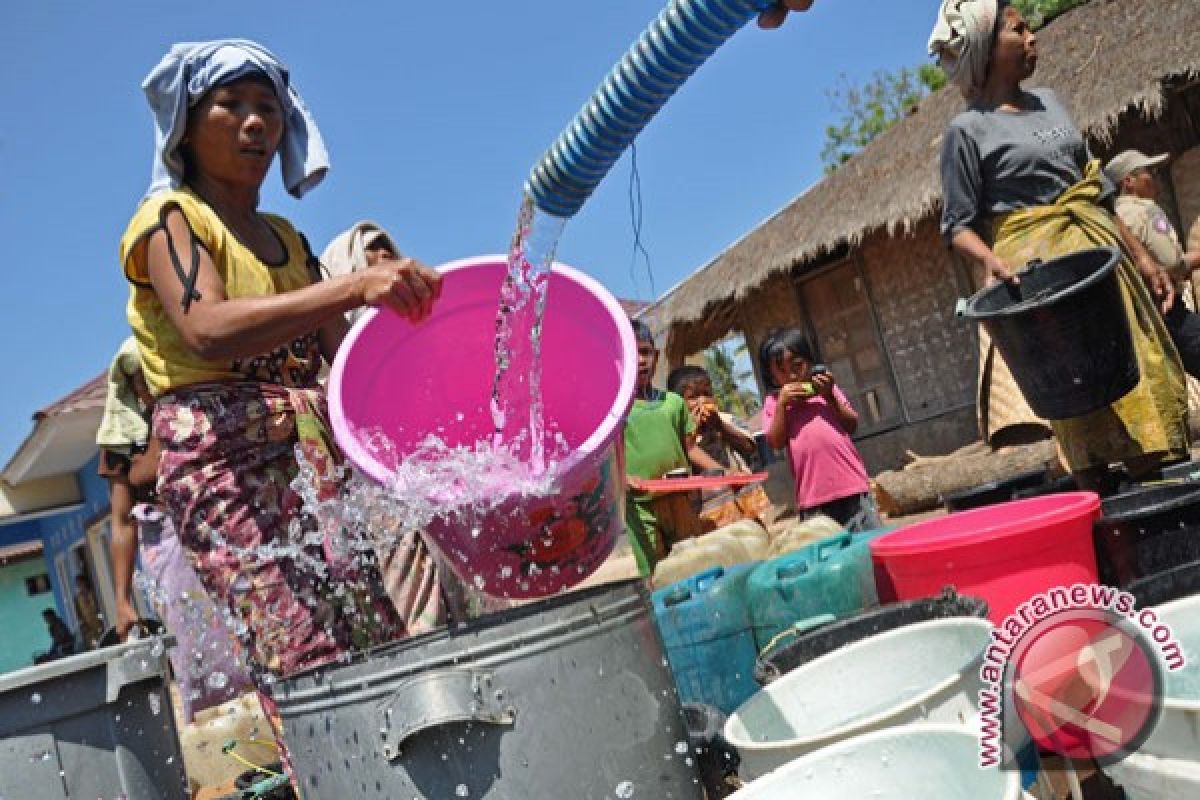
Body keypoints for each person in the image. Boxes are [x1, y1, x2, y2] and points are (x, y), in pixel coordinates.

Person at [119, 39, 443, 680]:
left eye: (267, 108)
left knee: (375, 640)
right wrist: (354, 286)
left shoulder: (289, 243)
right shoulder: (170, 220)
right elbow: (206, 328)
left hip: (312, 465)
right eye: (230, 104)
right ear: (186, 125)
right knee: (306, 659)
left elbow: (350, 363)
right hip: (226, 470)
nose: (255, 122)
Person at [931, 0, 1189, 489]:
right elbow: (957, 225)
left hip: (1098, 258)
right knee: (1080, 401)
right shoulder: (967, 131)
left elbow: (1096, 189)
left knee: (1139, 377)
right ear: (986, 50)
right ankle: (1107, 521)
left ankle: (1159, 493)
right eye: (1018, 30)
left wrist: (1142, 258)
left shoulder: (1050, 102)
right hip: (1045, 274)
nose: (1033, 37)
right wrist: (992, 261)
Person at [623, 319, 725, 575]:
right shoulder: (615, 412)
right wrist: (623, 478)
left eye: (645, 352)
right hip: (641, 506)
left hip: (681, 500)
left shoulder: (673, 403)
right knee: (657, 575)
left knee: (693, 564)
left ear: (656, 356)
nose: (640, 360)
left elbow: (690, 449)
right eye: (631, 353)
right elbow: (607, 459)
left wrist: (721, 472)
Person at [759, 329, 882, 531]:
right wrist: (782, 405)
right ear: (772, 377)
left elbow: (852, 424)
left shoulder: (826, 390)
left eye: (797, 366)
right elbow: (775, 442)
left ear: (809, 362)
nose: (792, 375)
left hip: (852, 488)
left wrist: (829, 397)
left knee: (870, 541)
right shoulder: (774, 402)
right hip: (813, 498)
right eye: (782, 371)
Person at [1107, 149, 1200, 377]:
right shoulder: (1145, 211)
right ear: (1129, 181)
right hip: (1167, 311)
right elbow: (1171, 262)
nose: (1155, 178)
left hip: (1135, 324)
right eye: (1150, 172)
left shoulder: (1111, 218)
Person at [667, 364, 757, 473]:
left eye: (707, 394)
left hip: (740, 487)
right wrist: (691, 432)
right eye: (693, 397)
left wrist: (720, 426)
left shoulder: (727, 419)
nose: (703, 400)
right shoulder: (675, 432)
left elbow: (748, 447)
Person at [73, 574, 104, 650]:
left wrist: (101, 619)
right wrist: (83, 625)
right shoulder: (77, 598)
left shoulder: (93, 593)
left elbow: (99, 608)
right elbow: (79, 614)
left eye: (81, 583)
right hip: (88, 627)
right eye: (77, 584)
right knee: (94, 645)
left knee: (103, 641)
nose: (79, 586)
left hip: (99, 623)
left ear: (85, 582)